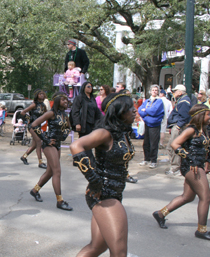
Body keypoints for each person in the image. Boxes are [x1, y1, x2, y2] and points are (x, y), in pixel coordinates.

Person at [70, 92, 136, 256]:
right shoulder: (105, 133)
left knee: (97, 247)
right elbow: (76, 146)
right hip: (103, 194)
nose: (135, 111)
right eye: (130, 108)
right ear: (119, 111)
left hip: (115, 192)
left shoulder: (123, 133)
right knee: (119, 252)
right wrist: (94, 180)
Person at [153, 104, 210, 241]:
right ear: (200, 116)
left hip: (197, 166)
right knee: (206, 197)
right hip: (192, 168)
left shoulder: (204, 130)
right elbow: (175, 144)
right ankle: (201, 230)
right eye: (207, 114)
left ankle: (160, 214)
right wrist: (190, 159)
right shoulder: (190, 130)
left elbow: (207, 147)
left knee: (188, 197)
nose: (209, 116)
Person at [29, 92, 72, 211]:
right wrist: (46, 139)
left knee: (50, 172)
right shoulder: (51, 113)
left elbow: (69, 127)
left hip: (57, 144)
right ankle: (60, 201)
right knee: (57, 171)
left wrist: (63, 136)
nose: (66, 102)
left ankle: (35, 190)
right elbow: (34, 125)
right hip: (49, 145)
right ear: (58, 101)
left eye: (66, 100)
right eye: (63, 100)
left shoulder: (64, 115)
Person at [166, 84, 191, 175]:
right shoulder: (181, 100)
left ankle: (175, 168)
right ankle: (174, 166)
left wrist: (178, 126)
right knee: (170, 147)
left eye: (175, 91)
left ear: (180, 92)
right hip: (176, 126)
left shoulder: (184, 102)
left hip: (178, 127)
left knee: (174, 147)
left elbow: (184, 116)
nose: (174, 93)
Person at [138, 85, 164, 169]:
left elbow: (154, 111)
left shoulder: (159, 101)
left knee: (154, 143)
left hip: (155, 125)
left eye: (156, 90)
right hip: (147, 124)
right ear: (150, 91)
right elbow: (140, 110)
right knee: (146, 142)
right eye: (153, 90)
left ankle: (153, 160)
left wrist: (146, 110)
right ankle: (146, 158)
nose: (154, 91)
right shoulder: (147, 101)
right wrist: (146, 114)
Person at [20, 90, 48, 168]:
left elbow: (46, 115)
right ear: (37, 95)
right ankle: (40, 162)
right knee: (39, 142)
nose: (42, 95)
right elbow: (23, 112)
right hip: (32, 126)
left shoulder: (43, 106)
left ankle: (24, 157)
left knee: (35, 144)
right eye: (40, 94)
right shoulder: (34, 105)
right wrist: (29, 119)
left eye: (43, 94)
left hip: (39, 126)